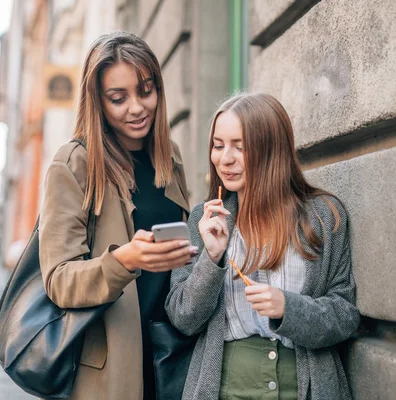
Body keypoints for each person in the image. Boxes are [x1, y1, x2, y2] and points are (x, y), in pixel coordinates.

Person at [165, 92, 360, 399]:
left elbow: (346, 316)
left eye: (239, 147)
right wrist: (212, 258)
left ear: (271, 150)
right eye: (218, 145)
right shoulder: (204, 219)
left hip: (305, 387)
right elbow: (183, 318)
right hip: (225, 388)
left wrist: (288, 308)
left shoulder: (324, 216)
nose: (224, 158)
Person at [39, 31, 197, 400]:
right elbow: (59, 281)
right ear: (98, 103)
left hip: (171, 353)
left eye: (146, 90)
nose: (137, 107)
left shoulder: (169, 157)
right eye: (118, 98)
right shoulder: (74, 164)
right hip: (111, 367)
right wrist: (124, 260)